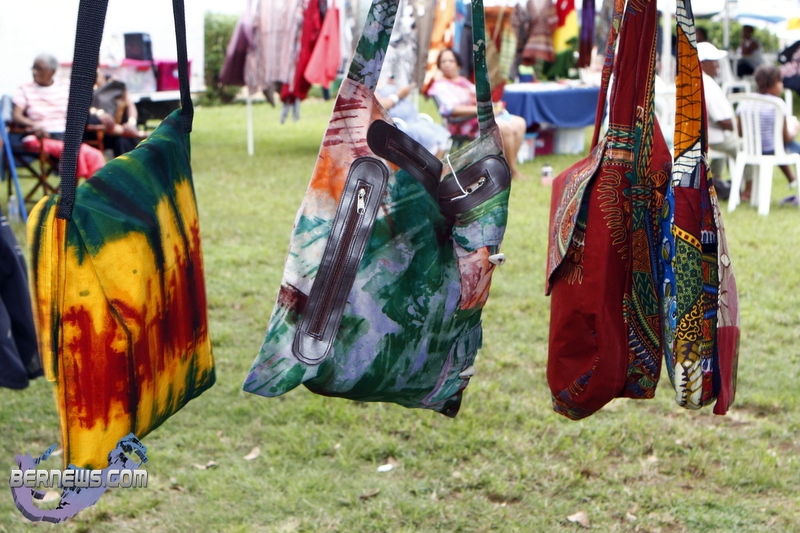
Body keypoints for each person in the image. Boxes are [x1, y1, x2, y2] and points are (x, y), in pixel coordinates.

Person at [428, 48, 528, 179]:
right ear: (439, 65)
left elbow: (481, 99)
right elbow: (451, 110)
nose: (447, 64)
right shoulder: (439, 86)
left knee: (520, 122)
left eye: (451, 61)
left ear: (458, 64)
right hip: (464, 123)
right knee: (505, 128)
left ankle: (509, 166)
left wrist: (493, 106)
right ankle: (511, 171)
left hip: (480, 117)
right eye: (443, 61)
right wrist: (480, 110)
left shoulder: (463, 82)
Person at [12, 53, 105, 179]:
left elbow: (80, 108)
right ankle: (72, 188)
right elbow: (17, 116)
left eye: (39, 69)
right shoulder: (25, 88)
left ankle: (99, 188)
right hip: (39, 137)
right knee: (73, 152)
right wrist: (33, 125)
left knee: (95, 155)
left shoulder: (65, 85)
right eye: (33, 68)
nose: (34, 72)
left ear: (52, 71)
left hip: (64, 136)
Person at [738, 64, 800, 199]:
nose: (782, 85)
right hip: (770, 149)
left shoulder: (745, 102)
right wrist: (795, 129)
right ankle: (793, 179)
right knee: (790, 146)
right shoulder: (777, 104)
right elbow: (786, 138)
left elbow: (740, 133)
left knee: (779, 145)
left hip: (751, 150)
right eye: (780, 81)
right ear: (772, 83)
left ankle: (792, 179)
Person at [698, 42, 737, 199]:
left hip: (706, 136)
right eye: (714, 61)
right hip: (714, 138)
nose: (717, 64)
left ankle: (717, 182)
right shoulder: (706, 83)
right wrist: (741, 127)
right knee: (748, 147)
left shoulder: (698, 80)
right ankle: (749, 190)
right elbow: (722, 121)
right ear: (702, 64)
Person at [376, 79, 451, 157]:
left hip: (414, 119)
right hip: (401, 124)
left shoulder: (383, 78)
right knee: (429, 138)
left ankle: (436, 162)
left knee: (439, 136)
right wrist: (398, 95)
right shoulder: (370, 85)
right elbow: (379, 105)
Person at [87, 69, 146, 157]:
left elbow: (130, 105)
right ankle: (139, 134)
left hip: (116, 128)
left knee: (123, 142)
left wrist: (131, 122)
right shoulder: (81, 83)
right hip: (96, 127)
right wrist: (99, 113)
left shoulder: (114, 83)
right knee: (95, 120)